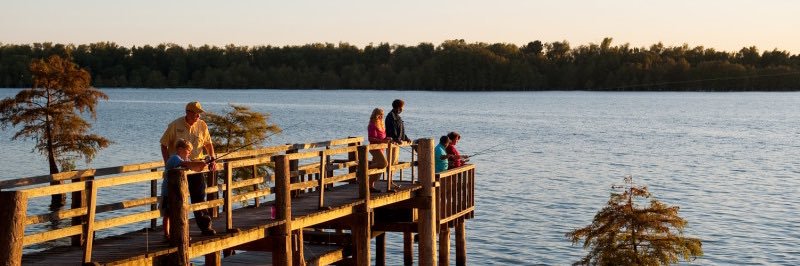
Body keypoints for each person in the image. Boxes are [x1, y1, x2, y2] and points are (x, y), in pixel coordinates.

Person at [160, 101, 218, 236]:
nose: (198, 116)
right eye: (196, 114)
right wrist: (168, 163)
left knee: (199, 197)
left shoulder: (202, 125)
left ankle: (205, 227)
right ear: (188, 112)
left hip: (196, 167)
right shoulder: (175, 125)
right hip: (178, 170)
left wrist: (212, 159)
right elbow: (163, 144)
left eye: (199, 114)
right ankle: (175, 233)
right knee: (177, 200)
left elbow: (208, 144)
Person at [161, 139, 207, 241]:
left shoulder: (184, 159)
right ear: (180, 149)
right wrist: (199, 163)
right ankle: (167, 235)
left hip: (178, 192)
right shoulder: (174, 158)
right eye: (188, 150)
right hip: (168, 191)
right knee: (168, 214)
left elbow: (193, 166)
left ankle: (177, 234)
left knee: (178, 212)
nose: (189, 153)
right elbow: (187, 164)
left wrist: (203, 164)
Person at [367, 108, 392, 193]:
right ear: (376, 115)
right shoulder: (372, 125)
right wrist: (382, 141)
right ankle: (364, 168)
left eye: (382, 115)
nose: (381, 116)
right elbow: (370, 138)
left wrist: (387, 139)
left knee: (378, 168)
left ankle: (370, 186)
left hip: (381, 148)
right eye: (380, 115)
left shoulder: (381, 124)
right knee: (384, 163)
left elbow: (382, 137)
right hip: (374, 148)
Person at [385, 99, 411, 165]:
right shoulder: (390, 116)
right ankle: (390, 172)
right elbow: (391, 130)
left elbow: (400, 130)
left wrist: (406, 138)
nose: (402, 109)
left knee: (394, 162)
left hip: (396, 143)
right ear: (398, 107)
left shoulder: (397, 117)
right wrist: (396, 139)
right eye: (402, 107)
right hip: (392, 142)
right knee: (391, 162)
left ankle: (391, 172)